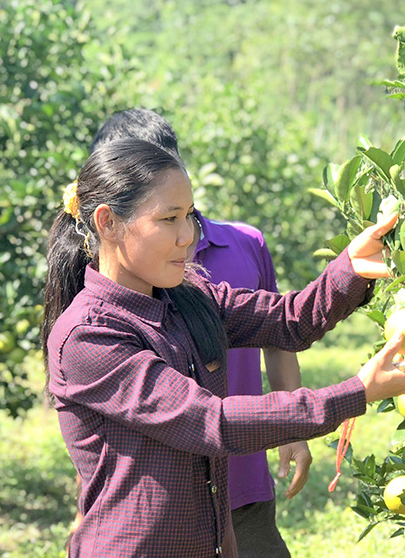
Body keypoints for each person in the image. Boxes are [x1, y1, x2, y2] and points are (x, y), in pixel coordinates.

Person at [41, 138, 405, 558]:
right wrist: (354, 393)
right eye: (169, 219)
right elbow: (212, 423)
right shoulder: (88, 336)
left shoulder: (189, 298)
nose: (187, 236)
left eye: (189, 216)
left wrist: (349, 269)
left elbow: (289, 321)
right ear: (107, 222)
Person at [90, 108, 308, 557]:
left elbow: (282, 327)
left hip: (244, 476)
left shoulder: (244, 245)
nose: (181, 237)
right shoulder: (102, 288)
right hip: (163, 501)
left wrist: (294, 428)